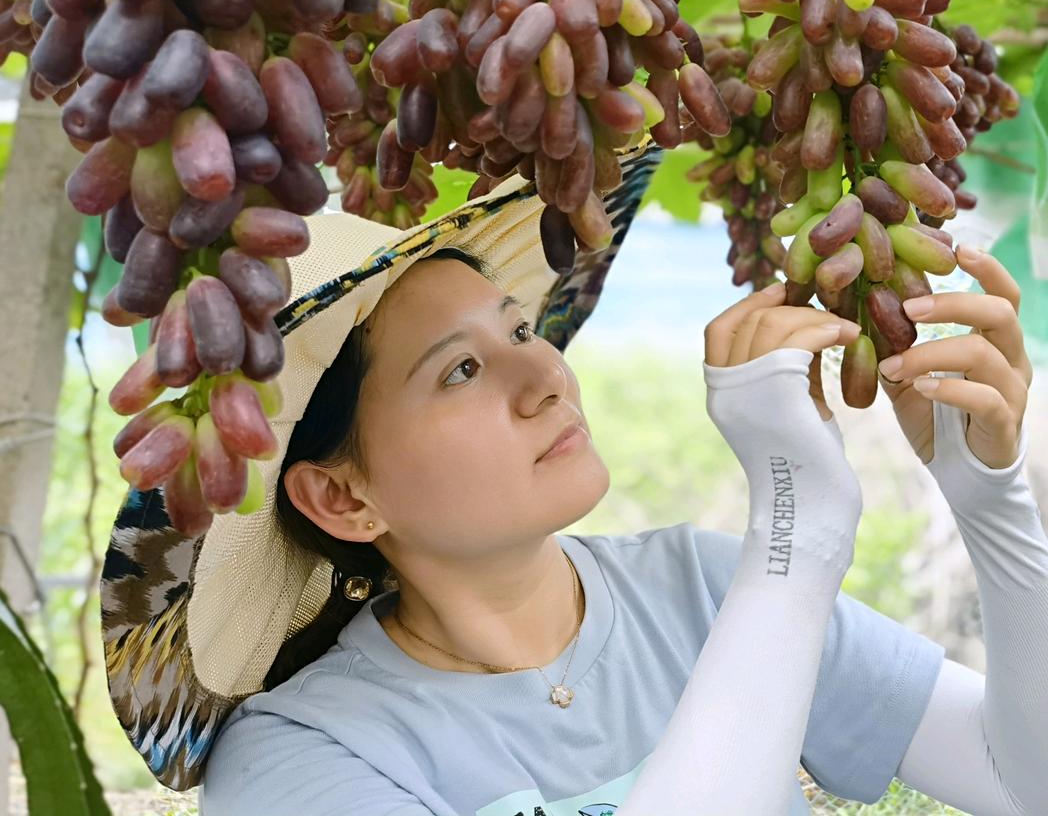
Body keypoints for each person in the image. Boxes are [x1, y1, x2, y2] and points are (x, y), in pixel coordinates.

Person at [99, 137, 1048, 815]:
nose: (546, 374)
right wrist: (797, 545)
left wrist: (989, 499)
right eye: (459, 370)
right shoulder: (303, 760)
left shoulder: (700, 591)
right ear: (343, 497)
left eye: (519, 329)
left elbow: (1022, 781)